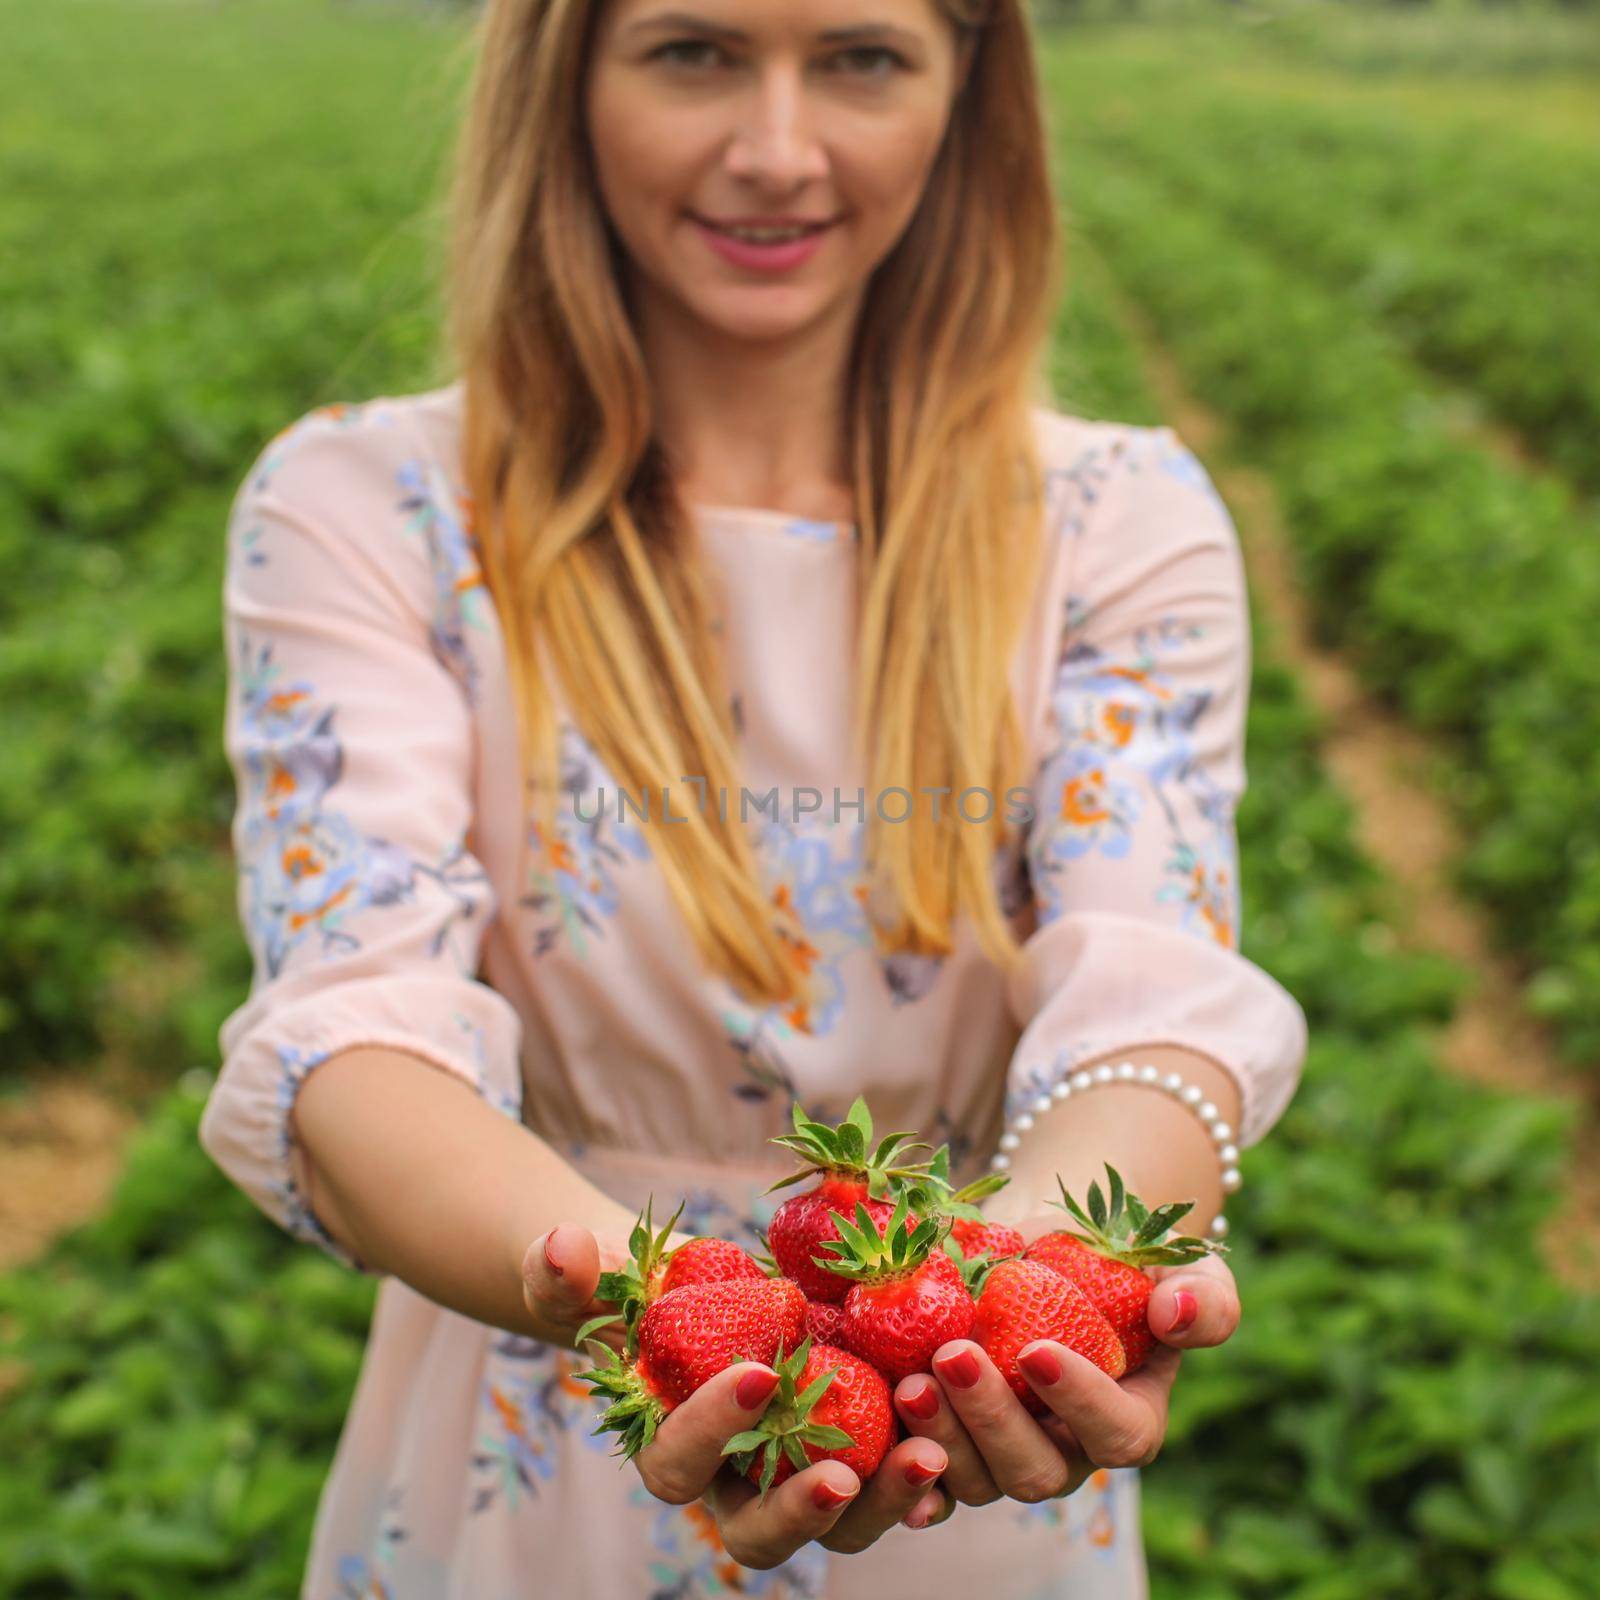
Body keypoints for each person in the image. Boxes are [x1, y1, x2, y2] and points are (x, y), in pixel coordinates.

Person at [197, 0, 1310, 1594]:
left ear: (964, 93)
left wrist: (1030, 1280)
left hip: (958, 1455)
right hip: (552, 1418)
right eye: (693, 50)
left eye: (859, 56)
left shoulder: (1115, 525)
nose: (776, 153)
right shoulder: (370, 506)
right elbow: (354, 1025)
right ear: (565, 81)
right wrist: (661, 1304)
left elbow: (1155, 995)